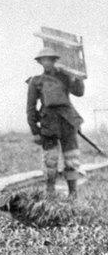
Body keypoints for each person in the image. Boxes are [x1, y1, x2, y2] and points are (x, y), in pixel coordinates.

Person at [27, 48, 85, 200]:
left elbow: (79, 92)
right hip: (49, 124)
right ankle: (50, 192)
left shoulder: (65, 77)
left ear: (54, 60)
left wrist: (76, 77)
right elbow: (30, 107)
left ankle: (73, 193)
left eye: (50, 59)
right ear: (40, 62)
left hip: (67, 121)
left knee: (71, 159)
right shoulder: (36, 81)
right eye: (43, 60)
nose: (47, 62)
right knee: (50, 160)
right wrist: (35, 130)